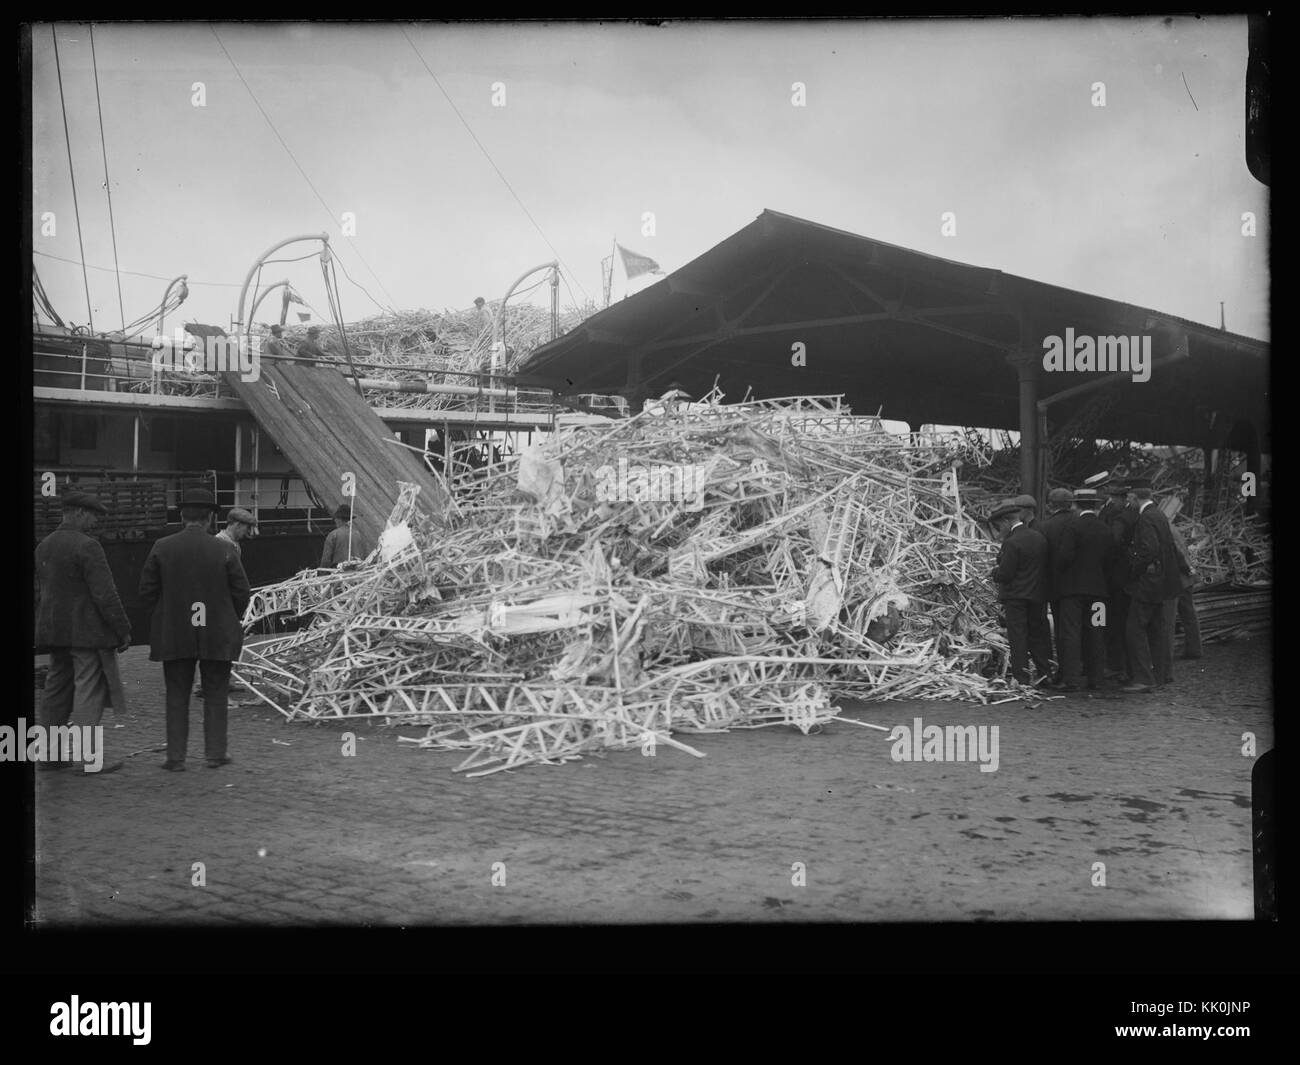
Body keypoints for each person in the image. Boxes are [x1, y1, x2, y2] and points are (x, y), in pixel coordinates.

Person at [138, 487, 250, 770]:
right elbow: (242, 592)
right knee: (215, 693)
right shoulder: (225, 549)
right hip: (217, 632)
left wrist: (166, 617)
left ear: (182, 516)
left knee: (177, 694)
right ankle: (215, 754)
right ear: (211, 518)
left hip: (175, 632)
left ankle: (175, 757)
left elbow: (146, 592)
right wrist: (227, 618)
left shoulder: (162, 547)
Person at [34, 491, 129, 774]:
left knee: (56, 689)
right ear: (78, 513)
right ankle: (89, 759)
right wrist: (122, 628)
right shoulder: (89, 546)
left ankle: (49, 756)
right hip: (86, 633)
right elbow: (106, 594)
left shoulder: (43, 545)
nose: (95, 521)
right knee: (89, 688)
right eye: (93, 515)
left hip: (53, 630)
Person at [1121, 478, 1183, 694]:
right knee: (1157, 630)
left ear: (1136, 497)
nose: (1128, 502)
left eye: (1129, 498)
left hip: (1148, 584)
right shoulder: (1159, 514)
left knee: (1134, 630)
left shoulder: (1145, 518)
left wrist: (1133, 570)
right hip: (1162, 583)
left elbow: (1150, 549)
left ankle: (1143, 678)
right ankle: (1161, 675)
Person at [988, 500, 1052, 685]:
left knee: (1018, 638)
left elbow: (1006, 574)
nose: (1000, 529)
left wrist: (994, 572)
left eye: (1000, 525)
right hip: (1037, 596)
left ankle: (1021, 678)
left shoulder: (1012, 542)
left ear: (1007, 522)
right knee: (1038, 635)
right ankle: (1045, 674)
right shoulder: (1038, 537)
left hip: (1016, 597)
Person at [1054, 488, 1112, 692]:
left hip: (1073, 591)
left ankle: (1071, 679)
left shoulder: (1073, 527)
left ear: (1076, 505)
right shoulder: (1105, 528)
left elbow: (1064, 556)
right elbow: (1110, 560)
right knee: (1097, 631)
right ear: (1095, 505)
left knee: (1071, 632)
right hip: (1099, 592)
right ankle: (1096, 679)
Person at [1037, 487, 1077, 680]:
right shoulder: (1087, 523)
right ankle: (1096, 675)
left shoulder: (1046, 527)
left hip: (1062, 592)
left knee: (1065, 631)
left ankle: (1068, 675)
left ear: (1051, 505)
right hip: (1097, 595)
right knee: (1096, 628)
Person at [1098, 479, 1136, 680]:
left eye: (1114, 498)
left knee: (1114, 623)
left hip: (1115, 579)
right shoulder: (1121, 513)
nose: (1112, 501)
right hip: (1117, 578)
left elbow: (1112, 542)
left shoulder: (1120, 516)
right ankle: (1116, 664)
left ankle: (1117, 665)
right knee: (1112, 622)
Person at [1165, 519, 1202, 674]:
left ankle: (1167, 655)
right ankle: (1195, 650)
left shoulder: (1165, 528)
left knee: (1169, 617)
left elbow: (1178, 554)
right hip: (1186, 578)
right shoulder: (1172, 527)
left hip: (1178, 578)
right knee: (1189, 614)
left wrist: (1185, 569)